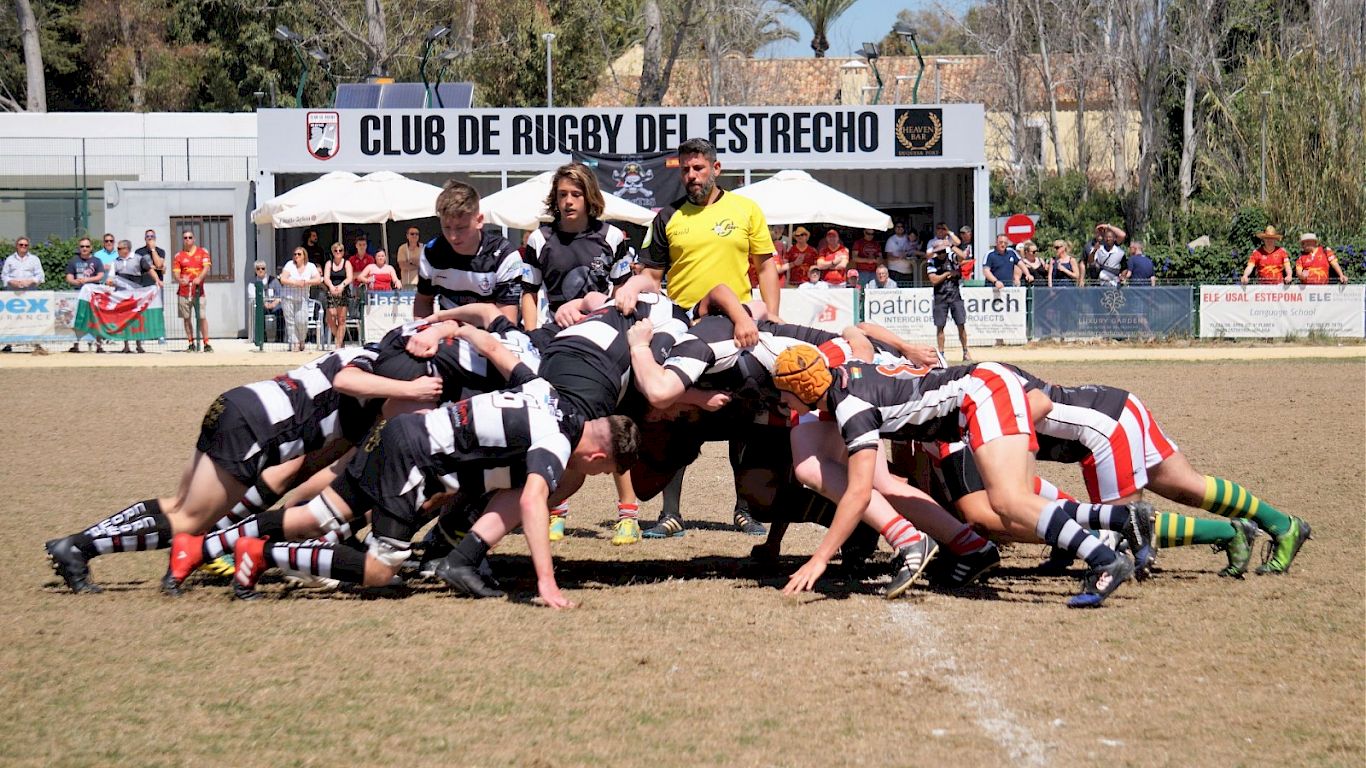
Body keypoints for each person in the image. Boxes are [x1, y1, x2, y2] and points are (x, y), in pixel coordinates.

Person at [44, 348, 443, 595]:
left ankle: (84, 544)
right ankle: (79, 547)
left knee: (179, 506)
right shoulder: (367, 382)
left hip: (239, 405)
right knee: (188, 520)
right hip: (254, 427)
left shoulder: (363, 358)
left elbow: (294, 474)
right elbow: (343, 396)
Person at [770, 347, 1137, 608]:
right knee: (1015, 499)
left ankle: (1104, 559)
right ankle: (1119, 519)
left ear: (803, 389)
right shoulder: (847, 374)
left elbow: (859, 494)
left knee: (1008, 503)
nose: (783, 405)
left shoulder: (851, 407)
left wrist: (819, 558)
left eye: (785, 397)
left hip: (981, 394)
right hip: (980, 389)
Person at [519, 162, 641, 544]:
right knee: (554, 425)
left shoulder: (614, 237)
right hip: (557, 342)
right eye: (562, 195)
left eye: (575, 194)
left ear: (590, 197)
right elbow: (528, 293)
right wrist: (532, 333)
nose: (569, 201)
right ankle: (556, 511)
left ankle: (629, 514)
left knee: (610, 423)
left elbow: (626, 292)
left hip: (604, 343)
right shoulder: (539, 240)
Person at [414, 180, 523, 323]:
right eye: (446, 227)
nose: (453, 236)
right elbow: (423, 301)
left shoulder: (504, 255)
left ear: (479, 221)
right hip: (447, 335)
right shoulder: (432, 251)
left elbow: (507, 322)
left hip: (492, 335)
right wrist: (422, 329)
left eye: (461, 228)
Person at [925, 237, 969, 361]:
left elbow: (962, 257)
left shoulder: (951, 257)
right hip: (940, 296)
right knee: (940, 327)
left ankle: (965, 351)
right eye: (938, 252)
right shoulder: (931, 262)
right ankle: (941, 354)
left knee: (961, 324)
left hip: (955, 295)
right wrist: (947, 274)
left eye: (943, 251)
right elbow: (933, 280)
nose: (941, 254)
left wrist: (952, 245)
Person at [109, 239, 156, 353]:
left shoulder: (138, 258)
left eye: (120, 248)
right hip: (122, 296)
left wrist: (158, 281)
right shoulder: (115, 261)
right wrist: (109, 282)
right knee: (124, 320)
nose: (117, 250)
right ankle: (126, 346)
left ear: (127, 249)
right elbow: (111, 277)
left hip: (136, 296)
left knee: (137, 320)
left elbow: (150, 270)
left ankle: (139, 345)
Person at [3, 236, 46, 353]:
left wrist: (31, 280)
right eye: (21, 245)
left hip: (30, 293)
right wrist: (11, 281)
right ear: (17, 246)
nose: (23, 247)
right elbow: (4, 275)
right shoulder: (9, 260)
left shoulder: (34, 259)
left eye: (25, 245)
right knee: (12, 318)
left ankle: (36, 344)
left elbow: (40, 276)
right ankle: (9, 343)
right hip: (13, 294)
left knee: (33, 319)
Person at [172, 230, 212, 352]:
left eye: (190, 237)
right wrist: (180, 279)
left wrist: (199, 278)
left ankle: (206, 343)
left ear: (194, 239)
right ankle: (191, 343)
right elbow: (176, 273)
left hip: (199, 292)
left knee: (202, 317)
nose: (187, 239)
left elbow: (206, 267)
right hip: (183, 292)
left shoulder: (202, 252)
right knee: (186, 318)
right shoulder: (179, 256)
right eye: (185, 238)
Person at [65, 238, 105, 353]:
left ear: (91, 248)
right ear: (79, 248)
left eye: (87, 246)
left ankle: (99, 345)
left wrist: (87, 280)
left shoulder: (97, 261)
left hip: (93, 295)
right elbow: (69, 277)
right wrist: (76, 281)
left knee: (95, 319)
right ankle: (76, 344)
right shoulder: (73, 261)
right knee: (77, 319)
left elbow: (100, 275)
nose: (84, 248)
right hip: (78, 293)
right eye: (82, 246)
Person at [279, 246, 322, 351]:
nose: (296, 256)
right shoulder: (289, 265)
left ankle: (302, 339)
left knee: (302, 321)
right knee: (290, 322)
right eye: (295, 254)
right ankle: (295, 343)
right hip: (288, 296)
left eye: (299, 254)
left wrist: (306, 282)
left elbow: (318, 279)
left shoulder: (310, 266)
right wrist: (295, 282)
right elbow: (283, 279)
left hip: (302, 298)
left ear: (304, 256)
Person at [323, 242, 353, 348]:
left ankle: (338, 345)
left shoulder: (347, 263)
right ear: (332, 252)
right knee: (330, 318)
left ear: (343, 252)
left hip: (343, 291)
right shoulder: (329, 263)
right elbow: (326, 277)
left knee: (341, 319)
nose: (338, 252)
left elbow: (349, 277)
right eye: (336, 250)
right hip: (331, 291)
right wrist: (331, 286)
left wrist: (341, 286)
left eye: (340, 250)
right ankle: (340, 340)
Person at [247, 260, 285, 346]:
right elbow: (252, 296)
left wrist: (275, 303)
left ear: (266, 269)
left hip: (274, 304)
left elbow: (281, 294)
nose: (260, 270)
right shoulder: (252, 283)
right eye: (258, 268)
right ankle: (261, 338)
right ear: (255, 270)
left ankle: (280, 338)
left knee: (280, 312)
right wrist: (264, 303)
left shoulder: (274, 280)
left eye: (263, 268)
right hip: (261, 305)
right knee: (259, 312)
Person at [882, 220, 916, 286]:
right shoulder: (891, 240)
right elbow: (888, 257)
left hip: (909, 272)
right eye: (898, 227)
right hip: (895, 272)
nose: (900, 228)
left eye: (901, 226)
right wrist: (900, 257)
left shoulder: (908, 237)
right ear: (895, 228)